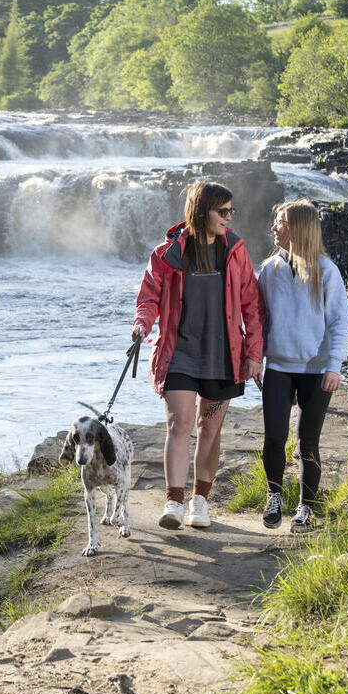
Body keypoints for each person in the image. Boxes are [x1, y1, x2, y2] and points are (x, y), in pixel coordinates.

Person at [132, 181, 265, 530]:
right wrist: (142, 325)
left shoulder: (235, 251)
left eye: (231, 211)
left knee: (210, 429)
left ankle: (200, 501)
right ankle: (173, 501)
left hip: (222, 356)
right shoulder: (167, 254)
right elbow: (148, 298)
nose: (228, 218)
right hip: (178, 352)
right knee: (179, 424)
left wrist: (254, 354)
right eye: (222, 212)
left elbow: (252, 306)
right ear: (201, 211)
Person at [258, 199, 348, 533]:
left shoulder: (327, 271)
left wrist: (334, 366)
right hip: (279, 367)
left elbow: (341, 323)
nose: (274, 227)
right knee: (274, 437)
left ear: (298, 228)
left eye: (280, 221)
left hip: (317, 370)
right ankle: (274, 497)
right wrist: (254, 358)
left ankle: (306, 507)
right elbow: (256, 318)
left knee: (307, 442)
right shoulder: (269, 270)